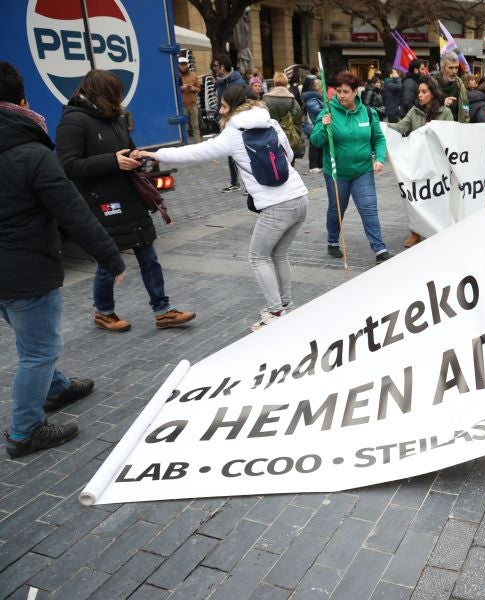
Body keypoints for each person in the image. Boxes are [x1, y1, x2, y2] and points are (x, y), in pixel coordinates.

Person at [0, 62, 126, 458]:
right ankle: (25, 431)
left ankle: (56, 388)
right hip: (25, 269)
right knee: (39, 350)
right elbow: (73, 212)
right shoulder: (30, 152)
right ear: (21, 102)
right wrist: (111, 258)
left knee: (30, 336)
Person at [142, 84, 309, 331]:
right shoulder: (271, 123)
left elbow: (197, 152)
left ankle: (276, 311)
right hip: (300, 197)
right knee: (279, 254)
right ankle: (286, 305)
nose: (220, 111)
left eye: (223, 106)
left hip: (277, 206)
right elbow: (290, 157)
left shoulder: (234, 134)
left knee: (258, 256)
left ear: (235, 106)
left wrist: (157, 155)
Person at [56, 69, 195, 332]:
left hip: (129, 196)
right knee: (110, 259)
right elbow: (68, 166)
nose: (119, 100)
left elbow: (127, 147)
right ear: (101, 94)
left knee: (148, 255)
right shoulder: (73, 121)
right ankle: (104, 312)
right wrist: (112, 161)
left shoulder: (114, 118)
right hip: (102, 201)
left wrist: (134, 156)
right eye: (115, 95)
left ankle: (163, 310)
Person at [310, 71, 391, 263]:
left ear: (356, 92)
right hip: (337, 173)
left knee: (369, 208)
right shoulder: (328, 112)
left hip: (362, 170)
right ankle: (332, 241)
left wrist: (379, 157)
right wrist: (323, 125)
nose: (341, 95)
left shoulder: (368, 113)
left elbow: (378, 139)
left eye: (346, 91)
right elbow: (315, 141)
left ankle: (380, 249)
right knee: (337, 208)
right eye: (338, 91)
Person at [390, 77, 455, 249]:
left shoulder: (445, 112)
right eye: (419, 91)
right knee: (417, 197)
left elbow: (450, 136)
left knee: (437, 197)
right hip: (418, 162)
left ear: (433, 94)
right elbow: (401, 127)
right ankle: (415, 232)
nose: (419, 95)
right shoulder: (414, 111)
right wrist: (381, 126)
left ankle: (438, 229)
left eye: (424, 92)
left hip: (438, 164)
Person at [213, 54, 246, 192]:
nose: (215, 69)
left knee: (243, 154)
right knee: (230, 153)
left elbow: (244, 103)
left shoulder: (238, 81)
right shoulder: (220, 83)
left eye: (216, 66)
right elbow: (218, 104)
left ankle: (249, 185)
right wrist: (217, 117)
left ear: (223, 66)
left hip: (239, 123)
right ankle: (234, 182)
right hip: (225, 122)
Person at [263, 71, 305, 161]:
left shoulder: (265, 99)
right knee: (289, 165)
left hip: (270, 137)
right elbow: (298, 121)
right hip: (288, 138)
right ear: (286, 84)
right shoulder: (292, 100)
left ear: (274, 83)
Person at [432, 54, 469, 123]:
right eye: (451, 68)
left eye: (456, 67)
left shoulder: (460, 85)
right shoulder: (431, 83)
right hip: (437, 127)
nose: (454, 71)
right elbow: (424, 106)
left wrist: (466, 122)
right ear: (442, 68)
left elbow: (466, 105)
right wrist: (442, 103)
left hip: (455, 128)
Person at [301, 76, 325, 173]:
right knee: (314, 146)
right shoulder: (312, 99)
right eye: (321, 87)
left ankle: (319, 164)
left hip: (316, 124)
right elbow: (316, 110)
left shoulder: (316, 98)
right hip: (312, 125)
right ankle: (313, 165)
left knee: (319, 145)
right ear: (317, 88)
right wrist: (326, 110)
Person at [178, 57, 201, 143]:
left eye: (185, 64)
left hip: (193, 105)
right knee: (184, 127)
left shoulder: (193, 75)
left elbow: (199, 89)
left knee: (196, 126)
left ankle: (198, 143)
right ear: (179, 65)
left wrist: (193, 88)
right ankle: (185, 144)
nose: (184, 66)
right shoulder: (176, 76)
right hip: (182, 106)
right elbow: (172, 89)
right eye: (182, 65)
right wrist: (180, 88)